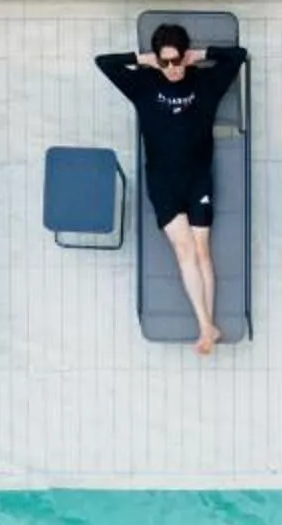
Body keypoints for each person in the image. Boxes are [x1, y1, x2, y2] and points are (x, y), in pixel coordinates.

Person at [95, 25, 249, 354]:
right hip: (163, 183)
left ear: (185, 55)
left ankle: (207, 328)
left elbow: (238, 56)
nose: (173, 69)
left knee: (202, 251)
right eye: (165, 63)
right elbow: (103, 62)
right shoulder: (142, 85)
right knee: (185, 251)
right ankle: (207, 326)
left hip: (198, 180)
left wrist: (201, 55)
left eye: (177, 60)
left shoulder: (205, 83)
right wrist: (144, 61)